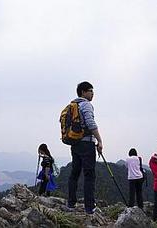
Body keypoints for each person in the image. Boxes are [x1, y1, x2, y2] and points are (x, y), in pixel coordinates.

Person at [67, 81, 103, 214]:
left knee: (74, 173)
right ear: (83, 92)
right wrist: (99, 141)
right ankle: (89, 207)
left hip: (75, 143)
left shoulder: (72, 105)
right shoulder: (86, 104)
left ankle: (71, 204)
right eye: (90, 90)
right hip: (86, 144)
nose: (93, 93)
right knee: (89, 175)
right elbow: (90, 122)